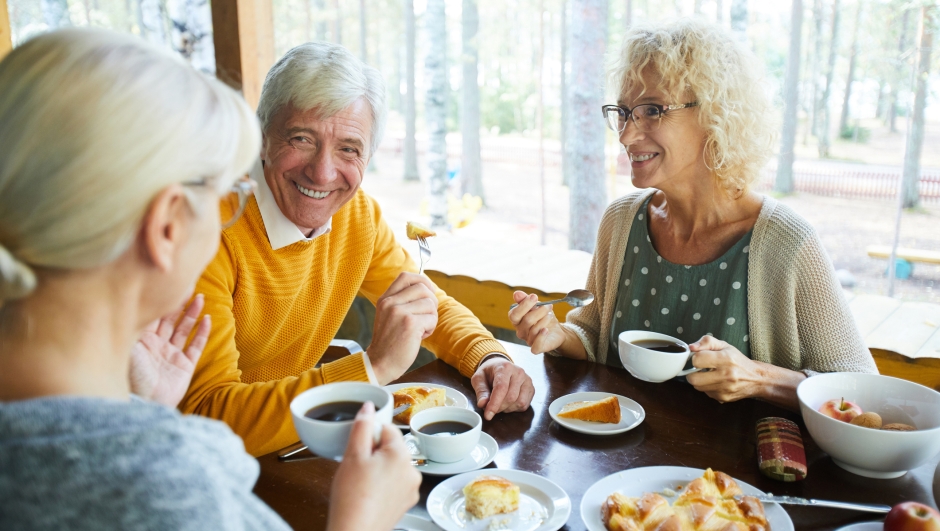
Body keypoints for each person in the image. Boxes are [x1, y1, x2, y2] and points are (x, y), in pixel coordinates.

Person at [0, 28, 420, 531]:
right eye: (223, 187)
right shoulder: (165, 483)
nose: (232, 208)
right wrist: (361, 519)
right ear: (168, 224)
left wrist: (143, 409)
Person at [173, 41, 534, 456]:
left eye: (348, 148)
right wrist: (373, 367)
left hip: (293, 446)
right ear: (261, 137)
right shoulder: (208, 226)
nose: (323, 172)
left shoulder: (356, 214)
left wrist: (488, 359)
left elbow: (424, 303)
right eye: (302, 139)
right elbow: (206, 414)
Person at [508, 18, 877, 411]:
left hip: (724, 472)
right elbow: (594, 335)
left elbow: (860, 391)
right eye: (623, 111)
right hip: (616, 458)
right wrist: (557, 335)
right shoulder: (620, 222)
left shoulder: (786, 242)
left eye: (652, 110)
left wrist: (759, 378)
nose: (626, 135)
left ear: (716, 115)